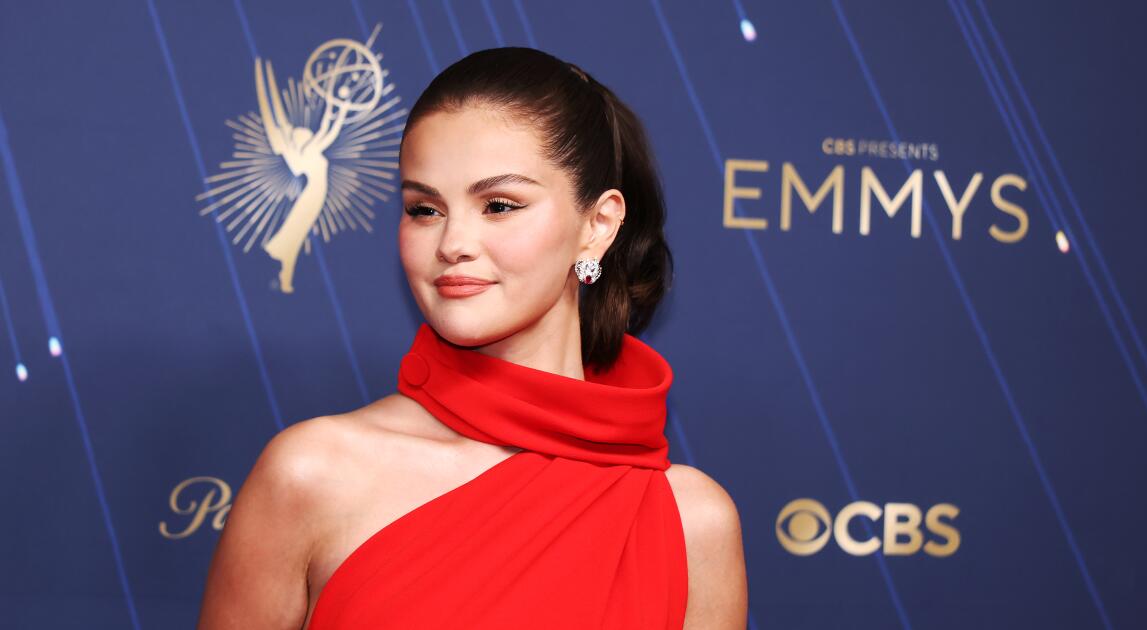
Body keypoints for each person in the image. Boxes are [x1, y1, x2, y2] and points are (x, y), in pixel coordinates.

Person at [196, 46, 747, 629]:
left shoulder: (691, 524)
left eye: (499, 205)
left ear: (597, 225)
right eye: (424, 209)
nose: (452, 242)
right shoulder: (311, 474)